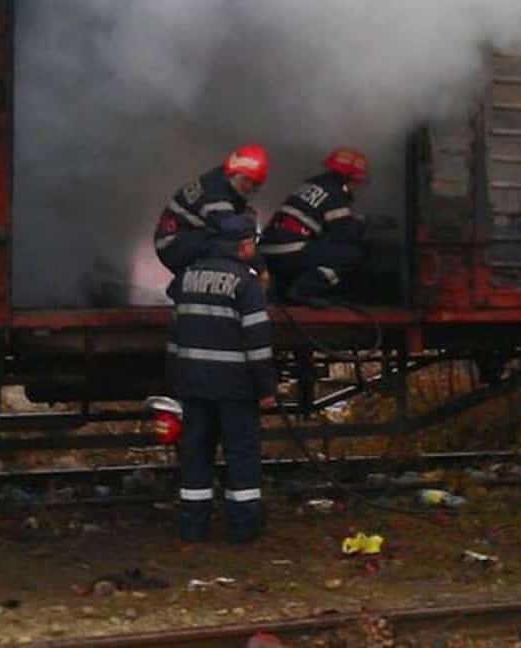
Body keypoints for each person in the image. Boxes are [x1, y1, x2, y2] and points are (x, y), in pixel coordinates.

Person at [169, 214, 276, 544]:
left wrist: (177, 380)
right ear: (244, 246)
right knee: (241, 453)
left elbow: (174, 337)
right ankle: (243, 528)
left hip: (192, 384)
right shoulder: (246, 283)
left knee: (196, 453)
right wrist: (266, 388)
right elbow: (258, 343)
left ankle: (193, 526)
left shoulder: (186, 278)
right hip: (234, 386)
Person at [258, 147, 368, 304]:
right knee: (351, 255)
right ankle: (305, 290)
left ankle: (283, 293)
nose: (358, 186)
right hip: (291, 251)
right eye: (358, 181)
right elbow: (344, 234)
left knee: (316, 250)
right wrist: (364, 225)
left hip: (267, 252)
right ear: (348, 178)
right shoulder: (335, 193)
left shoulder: (311, 185)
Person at [153, 144, 268, 285]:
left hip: (182, 240)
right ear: (234, 173)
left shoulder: (221, 180)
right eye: (246, 180)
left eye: (254, 184)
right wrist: (261, 269)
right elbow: (235, 232)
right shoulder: (216, 193)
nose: (249, 187)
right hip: (173, 243)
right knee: (228, 248)